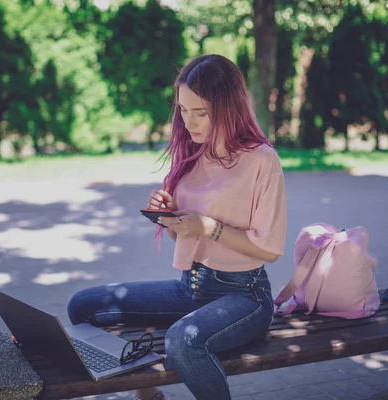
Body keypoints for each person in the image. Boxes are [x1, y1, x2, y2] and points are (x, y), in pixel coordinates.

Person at [67, 54, 287, 400]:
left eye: (201, 112)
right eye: (184, 110)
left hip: (244, 296)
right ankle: (147, 393)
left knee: (182, 341)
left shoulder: (262, 160)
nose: (190, 122)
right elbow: (182, 234)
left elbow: (270, 249)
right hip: (191, 288)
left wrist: (209, 226)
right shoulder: (190, 155)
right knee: (82, 307)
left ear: (228, 107)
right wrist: (171, 217)